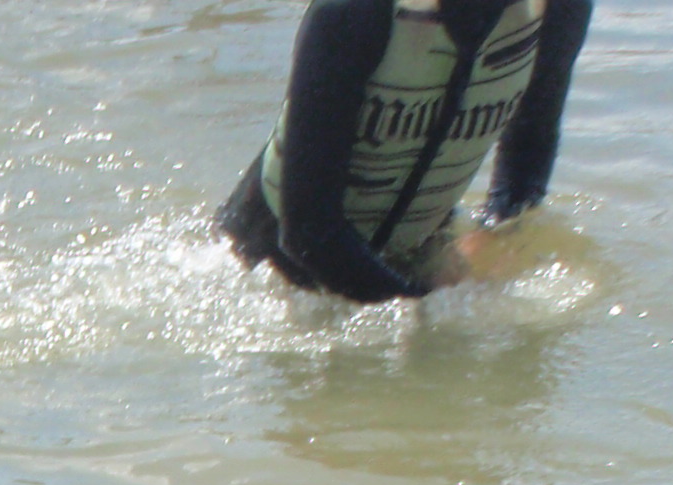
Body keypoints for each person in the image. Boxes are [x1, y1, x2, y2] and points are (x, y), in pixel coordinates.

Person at [219, 0, 593, 304]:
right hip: (260, 274)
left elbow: (527, 161)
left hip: (411, 258)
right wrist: (429, 307)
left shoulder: (558, 10)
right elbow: (308, 232)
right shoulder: (351, 13)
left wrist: (490, 241)